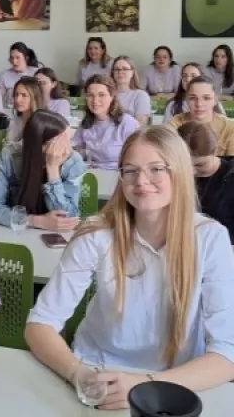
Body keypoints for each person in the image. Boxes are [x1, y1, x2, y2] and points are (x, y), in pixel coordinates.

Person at [25, 126, 234, 410]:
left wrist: (145, 384)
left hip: (176, 382)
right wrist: (79, 374)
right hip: (97, 376)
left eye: (157, 169)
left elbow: (226, 354)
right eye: (131, 170)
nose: (141, 181)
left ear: (181, 173)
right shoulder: (95, 234)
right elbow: (40, 324)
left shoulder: (210, 238)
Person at [0, 110, 84, 231]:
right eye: (60, 144)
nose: (68, 149)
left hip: (57, 236)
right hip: (19, 232)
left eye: (68, 140)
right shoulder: (10, 156)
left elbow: (68, 218)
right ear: (39, 145)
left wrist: (53, 172)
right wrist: (36, 221)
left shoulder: (73, 162)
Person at [178, 121, 234, 243]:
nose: (192, 172)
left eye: (200, 165)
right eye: (185, 164)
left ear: (215, 151)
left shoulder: (230, 179)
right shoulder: (172, 177)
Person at [73, 75, 140, 170]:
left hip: (118, 174)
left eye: (101, 95)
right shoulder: (86, 123)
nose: (95, 100)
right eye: (90, 95)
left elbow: (138, 158)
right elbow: (76, 150)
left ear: (112, 96)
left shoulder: (127, 122)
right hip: (92, 173)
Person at [168, 75, 234, 156]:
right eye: (193, 98)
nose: (199, 104)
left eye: (206, 98)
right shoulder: (175, 124)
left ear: (215, 100)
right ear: (187, 100)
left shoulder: (230, 128)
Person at [111, 55, 151, 125]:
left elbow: (140, 124)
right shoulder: (106, 94)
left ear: (132, 72)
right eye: (117, 69)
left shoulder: (141, 95)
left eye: (125, 69)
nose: (120, 72)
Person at [6, 77, 44, 144]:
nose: (18, 100)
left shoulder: (42, 124)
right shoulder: (15, 120)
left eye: (24, 95)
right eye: (16, 95)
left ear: (35, 98)